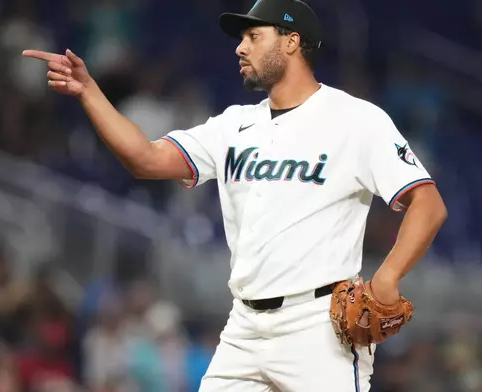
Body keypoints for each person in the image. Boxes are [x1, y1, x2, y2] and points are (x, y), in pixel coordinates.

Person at [22, 0, 448, 390]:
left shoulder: (355, 119)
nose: (240, 48)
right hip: (243, 326)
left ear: (292, 42)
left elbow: (427, 204)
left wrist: (387, 276)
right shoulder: (232, 126)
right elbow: (146, 159)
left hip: (317, 327)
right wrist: (89, 92)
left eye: (253, 36)